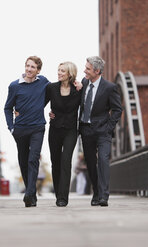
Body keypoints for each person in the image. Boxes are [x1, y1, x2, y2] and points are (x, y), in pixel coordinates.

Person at [4, 56, 49, 207]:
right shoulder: (14, 86)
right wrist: (11, 127)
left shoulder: (43, 82)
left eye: (33, 67)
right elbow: (8, 108)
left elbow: (54, 92)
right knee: (23, 161)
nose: (29, 69)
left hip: (37, 128)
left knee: (33, 159)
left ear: (38, 70)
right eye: (27, 66)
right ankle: (32, 194)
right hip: (20, 130)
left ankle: (28, 194)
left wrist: (75, 84)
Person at [79, 56, 122, 207]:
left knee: (103, 160)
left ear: (97, 71)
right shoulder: (84, 83)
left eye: (88, 69)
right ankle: (96, 193)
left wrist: (109, 127)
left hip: (103, 131)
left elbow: (117, 109)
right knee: (91, 163)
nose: (84, 70)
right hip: (86, 130)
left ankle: (104, 196)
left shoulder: (110, 87)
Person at [45, 61, 82, 207]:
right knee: (56, 162)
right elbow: (40, 103)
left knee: (66, 160)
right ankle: (57, 194)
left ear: (70, 74)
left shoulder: (78, 89)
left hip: (71, 130)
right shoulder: (52, 88)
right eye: (58, 70)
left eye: (62, 71)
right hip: (54, 129)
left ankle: (63, 198)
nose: (59, 73)